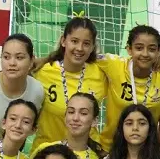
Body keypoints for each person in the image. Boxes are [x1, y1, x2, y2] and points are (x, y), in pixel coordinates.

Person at [96, 25, 160, 151]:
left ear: (158, 51)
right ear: (129, 49)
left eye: (151, 49)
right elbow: (86, 56)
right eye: (139, 48)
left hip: (147, 153)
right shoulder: (114, 65)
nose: (145, 54)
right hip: (110, 149)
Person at [31, 17, 108, 150]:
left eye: (86, 43)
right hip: (47, 154)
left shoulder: (102, 73)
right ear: (63, 41)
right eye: (74, 41)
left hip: (86, 156)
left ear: (92, 47)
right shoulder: (42, 71)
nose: (79, 48)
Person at [31, 93, 103, 159]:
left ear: (94, 121)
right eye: (71, 112)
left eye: (83, 113)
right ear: (65, 117)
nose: (75, 118)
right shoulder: (45, 150)